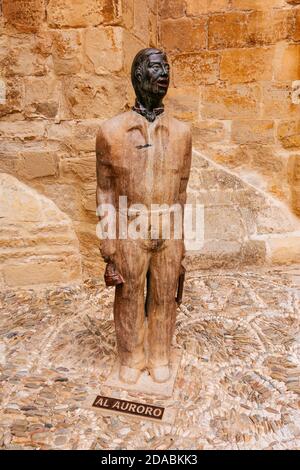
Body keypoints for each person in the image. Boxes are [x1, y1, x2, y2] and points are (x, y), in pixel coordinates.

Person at [96, 48, 192, 384]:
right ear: (138, 75)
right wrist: (109, 242)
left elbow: (181, 191)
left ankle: (160, 353)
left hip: (167, 228)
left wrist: (180, 239)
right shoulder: (111, 132)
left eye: (167, 66)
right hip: (129, 230)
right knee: (129, 296)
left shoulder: (181, 133)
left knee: (165, 295)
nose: (164, 72)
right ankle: (132, 356)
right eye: (155, 67)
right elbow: (105, 192)